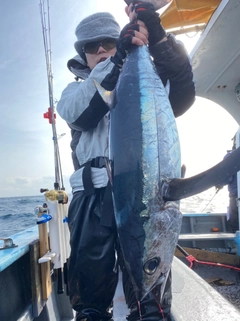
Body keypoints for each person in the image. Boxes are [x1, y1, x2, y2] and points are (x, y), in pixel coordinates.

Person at [57, 2, 195, 321]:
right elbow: (81, 114)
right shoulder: (73, 92)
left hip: (143, 195)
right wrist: (118, 58)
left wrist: (156, 36)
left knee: (151, 297)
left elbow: (184, 94)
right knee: (90, 302)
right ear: (84, 55)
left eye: (109, 42)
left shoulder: (151, 82)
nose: (102, 49)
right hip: (93, 203)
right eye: (93, 47)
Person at [216, 135, 239, 233]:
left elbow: (227, 177)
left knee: (235, 224)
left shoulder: (231, 156)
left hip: (236, 196)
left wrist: (219, 184)